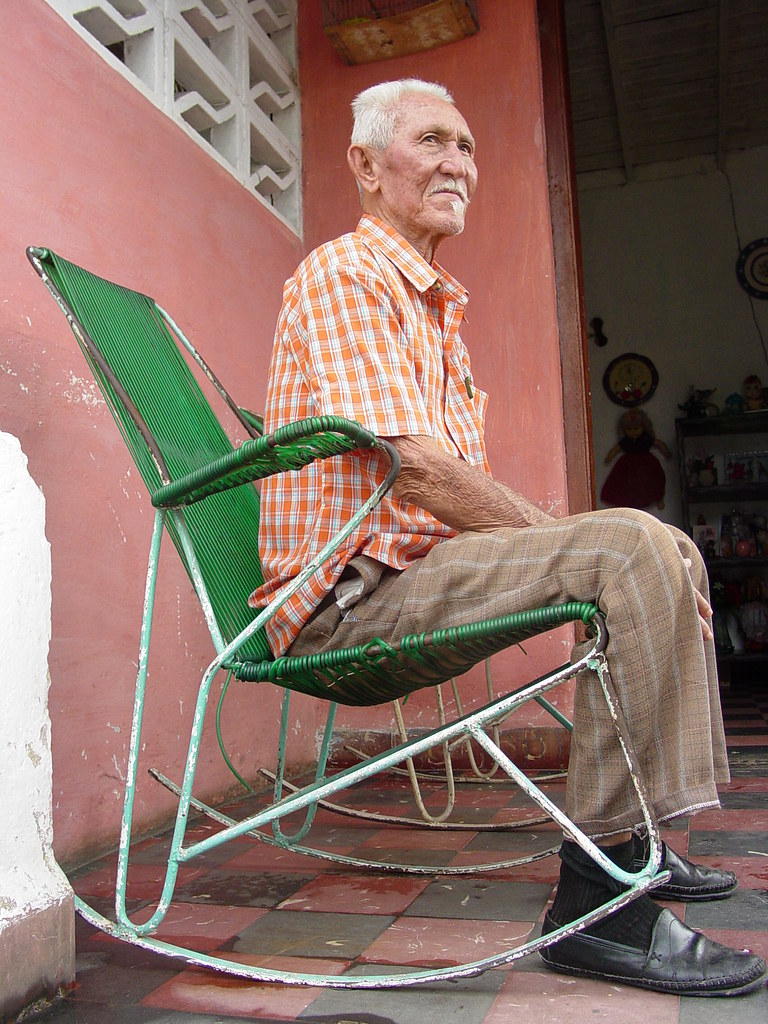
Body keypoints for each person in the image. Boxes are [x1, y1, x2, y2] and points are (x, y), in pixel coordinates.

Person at [250, 78, 767, 996]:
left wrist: (590, 540)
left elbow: (446, 496)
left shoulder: (435, 306)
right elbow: (417, 471)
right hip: (346, 606)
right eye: (433, 142)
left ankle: (635, 839)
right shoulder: (348, 274)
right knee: (632, 547)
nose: (460, 164)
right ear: (366, 167)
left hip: (413, 575)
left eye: (469, 146)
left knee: (664, 547)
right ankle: (604, 908)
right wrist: (586, 539)